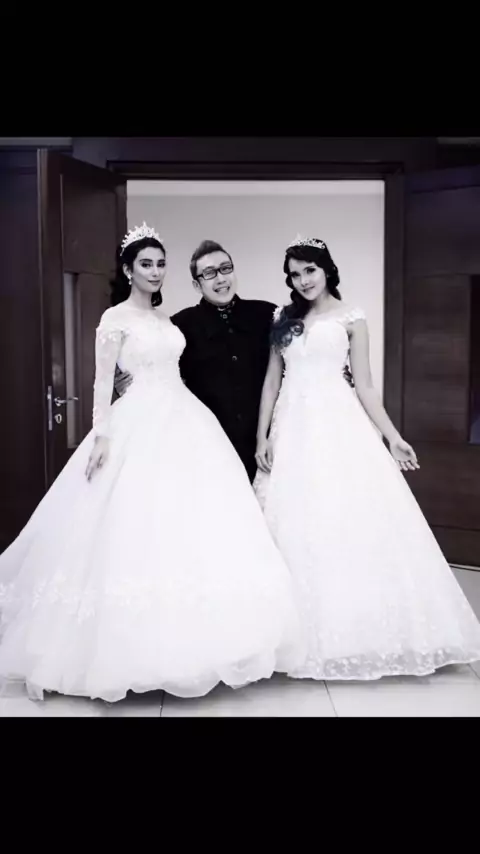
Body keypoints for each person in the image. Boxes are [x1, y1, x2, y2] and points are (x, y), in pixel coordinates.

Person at [0, 224, 303, 703]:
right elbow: (103, 381)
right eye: (146, 264)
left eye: (161, 263)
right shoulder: (114, 318)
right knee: (131, 524)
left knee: (193, 524)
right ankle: (92, 652)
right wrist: (102, 435)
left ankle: (197, 646)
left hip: (187, 420)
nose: (156, 271)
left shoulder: (167, 321)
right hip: (138, 423)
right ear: (128, 270)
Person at [254, 235, 480, 680]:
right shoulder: (283, 318)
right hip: (291, 426)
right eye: (295, 274)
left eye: (310, 270)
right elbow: (271, 381)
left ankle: (354, 633)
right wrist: (261, 436)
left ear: (327, 269)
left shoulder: (352, 318)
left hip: (339, 424)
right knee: (293, 518)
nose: (303, 280)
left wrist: (392, 437)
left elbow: (365, 386)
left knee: (346, 517)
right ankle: (283, 634)